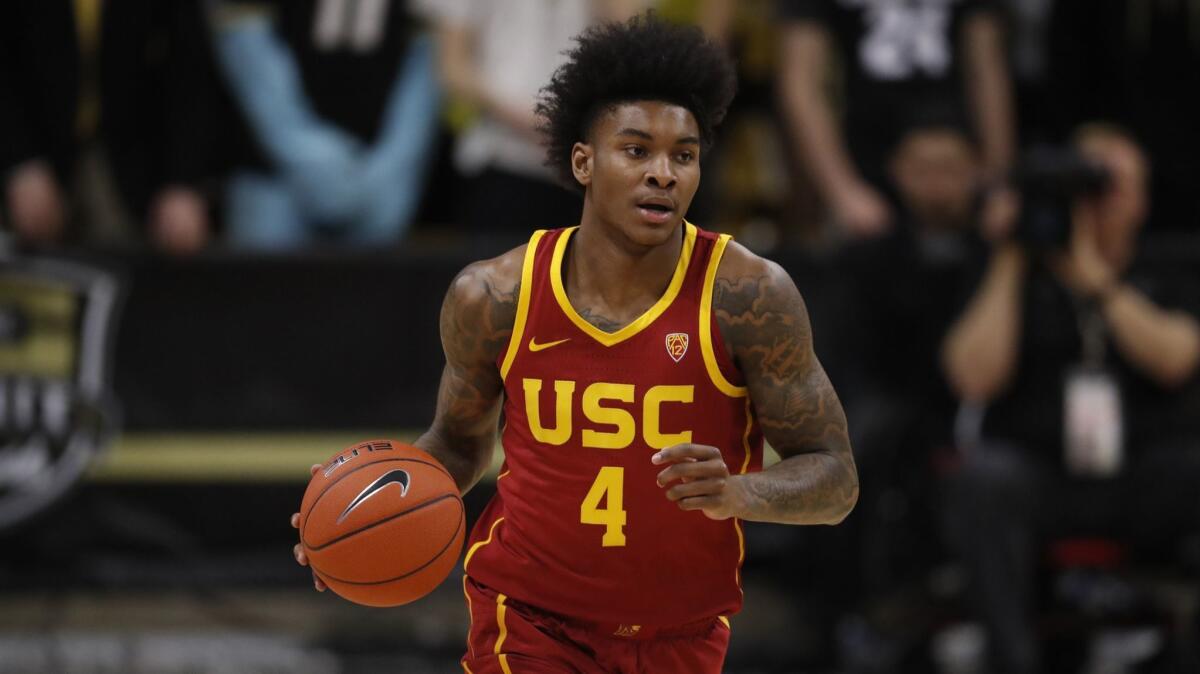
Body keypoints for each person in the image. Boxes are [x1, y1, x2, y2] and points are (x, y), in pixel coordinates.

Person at [292, 14, 859, 672]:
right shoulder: (495, 295)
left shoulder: (750, 296)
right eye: (637, 150)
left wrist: (740, 491)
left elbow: (836, 478)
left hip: (681, 631)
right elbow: (457, 443)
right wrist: (354, 512)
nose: (664, 174)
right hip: (529, 618)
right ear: (583, 161)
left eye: (684, 155)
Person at [941, 125, 1200, 673]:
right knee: (982, 477)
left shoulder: (1171, 265)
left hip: (1140, 477)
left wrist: (1095, 280)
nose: (1098, 200)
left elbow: (1178, 358)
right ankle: (1013, 662)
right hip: (1043, 475)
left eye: (1112, 183)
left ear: (1144, 199)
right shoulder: (1011, 269)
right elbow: (972, 377)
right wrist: (1013, 255)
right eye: (1086, 183)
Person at [210, 0, 440, 250]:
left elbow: (427, 57)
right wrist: (317, 159)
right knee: (263, 287)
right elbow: (246, 48)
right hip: (269, 174)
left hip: (378, 175)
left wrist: (391, 166)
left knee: (368, 287)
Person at [777, 0, 1014, 239]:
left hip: (957, 156)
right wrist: (842, 190)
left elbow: (988, 68)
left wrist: (997, 182)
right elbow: (801, 82)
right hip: (863, 158)